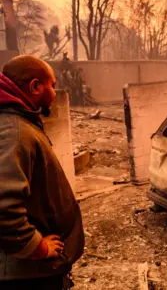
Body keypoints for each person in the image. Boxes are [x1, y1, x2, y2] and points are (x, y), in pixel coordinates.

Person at [0, 55, 84, 289]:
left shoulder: (17, 124)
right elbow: (3, 208)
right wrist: (38, 247)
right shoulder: (14, 133)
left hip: (29, 271)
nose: (55, 93)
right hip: (26, 275)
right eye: (52, 86)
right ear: (35, 86)